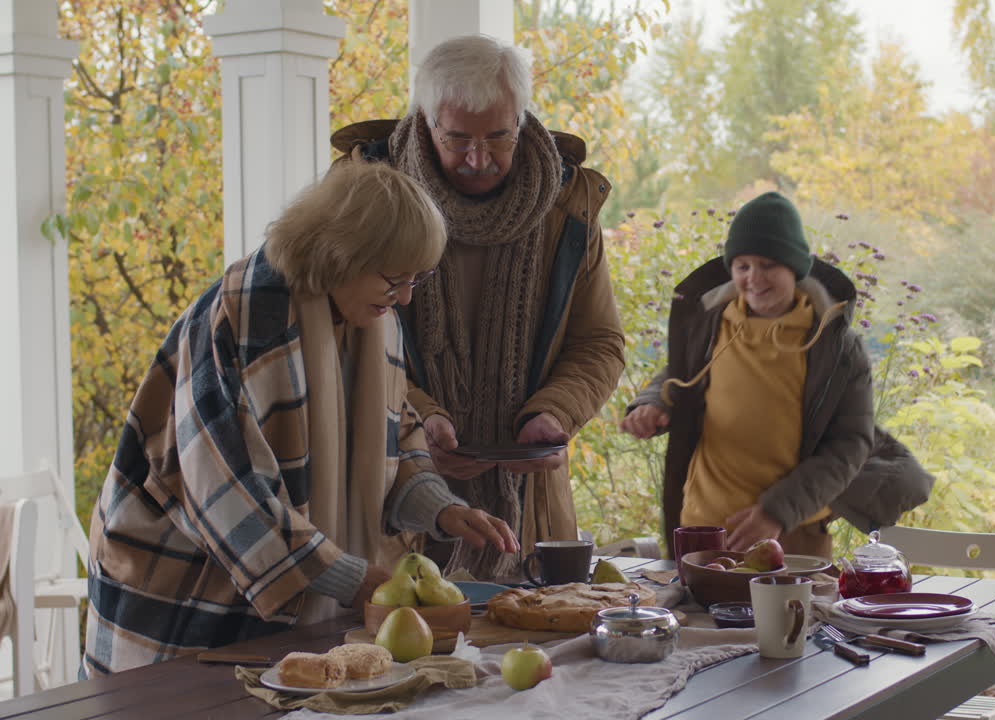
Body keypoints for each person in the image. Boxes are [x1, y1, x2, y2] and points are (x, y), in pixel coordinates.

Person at [81, 161, 517, 676]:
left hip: (285, 601)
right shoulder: (241, 317)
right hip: (183, 594)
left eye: (417, 279)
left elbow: (394, 437)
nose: (405, 298)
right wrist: (353, 581)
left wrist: (442, 509)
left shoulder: (376, 319)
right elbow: (226, 491)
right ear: (340, 253)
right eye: (394, 279)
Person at [331, 35, 625, 580]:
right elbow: (339, 338)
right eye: (457, 138)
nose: (478, 158)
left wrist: (554, 412)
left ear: (521, 118)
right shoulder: (363, 193)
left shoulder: (570, 204)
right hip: (394, 499)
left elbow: (599, 342)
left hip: (529, 504)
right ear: (425, 121)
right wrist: (420, 421)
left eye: (498, 136)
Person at [621, 192, 933, 560]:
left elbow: (850, 446)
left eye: (768, 265)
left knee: (791, 621)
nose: (754, 278)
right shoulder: (709, 323)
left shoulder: (837, 348)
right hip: (703, 533)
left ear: (795, 268)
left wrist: (777, 512)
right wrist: (651, 402)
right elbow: (679, 375)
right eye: (742, 266)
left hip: (793, 535)